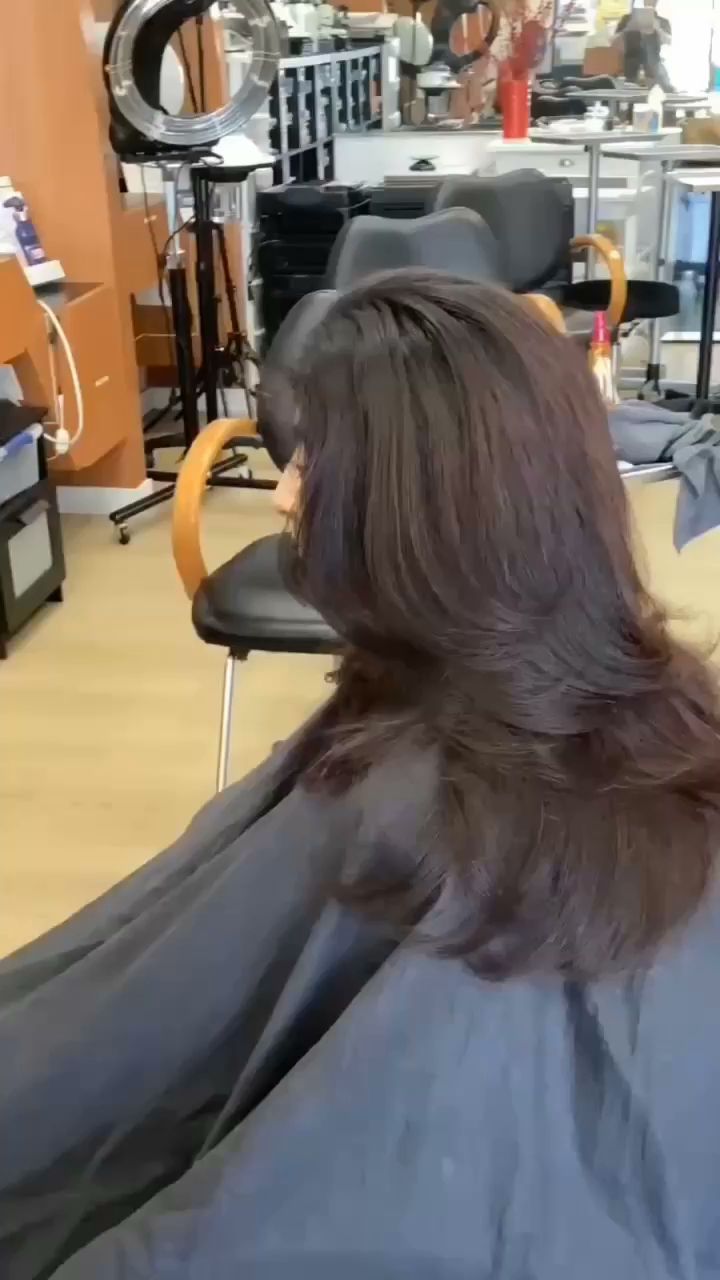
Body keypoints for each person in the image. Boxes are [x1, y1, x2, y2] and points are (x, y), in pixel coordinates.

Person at [4, 273, 720, 1280]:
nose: (285, 493)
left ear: (419, 507)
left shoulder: (411, 808)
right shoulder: (666, 714)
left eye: (312, 462)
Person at [615, 0, 673, 90]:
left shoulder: (662, 21)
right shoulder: (627, 19)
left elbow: (668, 41)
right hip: (629, 62)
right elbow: (613, 41)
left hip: (653, 63)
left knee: (662, 84)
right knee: (628, 86)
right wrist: (627, 29)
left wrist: (657, 28)